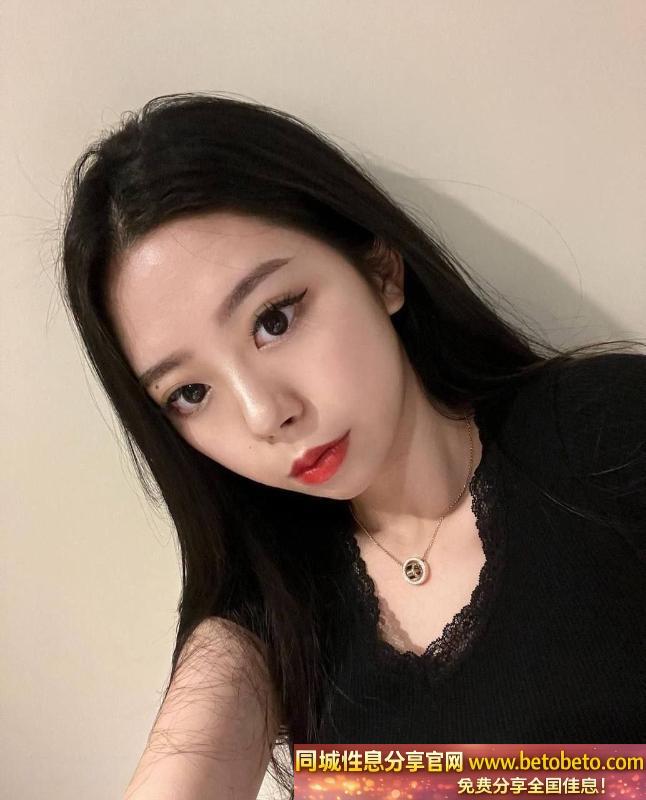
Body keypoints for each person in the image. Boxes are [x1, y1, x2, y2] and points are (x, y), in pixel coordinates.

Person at [58, 93, 645, 800]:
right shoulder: (271, 612)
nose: (265, 414)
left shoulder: (609, 430)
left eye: (274, 320)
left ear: (381, 270)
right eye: (190, 392)